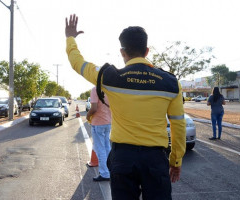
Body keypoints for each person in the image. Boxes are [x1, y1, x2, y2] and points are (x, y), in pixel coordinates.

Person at [65, 14, 186, 200]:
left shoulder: (110, 77)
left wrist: (70, 38)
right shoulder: (170, 82)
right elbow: (178, 125)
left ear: (122, 52)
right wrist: (175, 160)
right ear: (147, 51)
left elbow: (77, 63)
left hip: (123, 159)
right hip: (155, 160)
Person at [86, 87, 112, 182]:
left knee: (100, 149)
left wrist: (88, 115)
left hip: (98, 123)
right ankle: (110, 170)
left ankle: (105, 174)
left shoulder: (95, 89)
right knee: (107, 147)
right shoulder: (109, 89)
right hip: (108, 122)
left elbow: (94, 108)